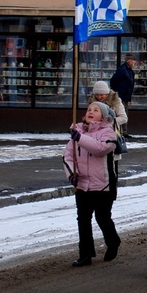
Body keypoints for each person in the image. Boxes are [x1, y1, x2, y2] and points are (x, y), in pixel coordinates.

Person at [63, 101, 119, 267]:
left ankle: (113, 241)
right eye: (89, 109)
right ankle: (85, 254)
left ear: (104, 116)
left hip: (103, 185)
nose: (91, 112)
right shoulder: (77, 131)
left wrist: (80, 138)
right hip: (82, 184)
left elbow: (100, 149)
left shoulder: (108, 132)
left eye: (96, 110)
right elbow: (68, 156)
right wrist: (71, 174)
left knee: (102, 217)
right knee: (83, 219)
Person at [110, 53, 137, 137]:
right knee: (121, 113)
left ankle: (124, 132)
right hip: (121, 95)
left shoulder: (129, 70)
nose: (134, 63)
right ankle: (121, 132)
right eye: (133, 61)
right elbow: (113, 80)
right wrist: (117, 91)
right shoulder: (122, 70)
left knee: (124, 113)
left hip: (125, 96)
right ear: (129, 61)